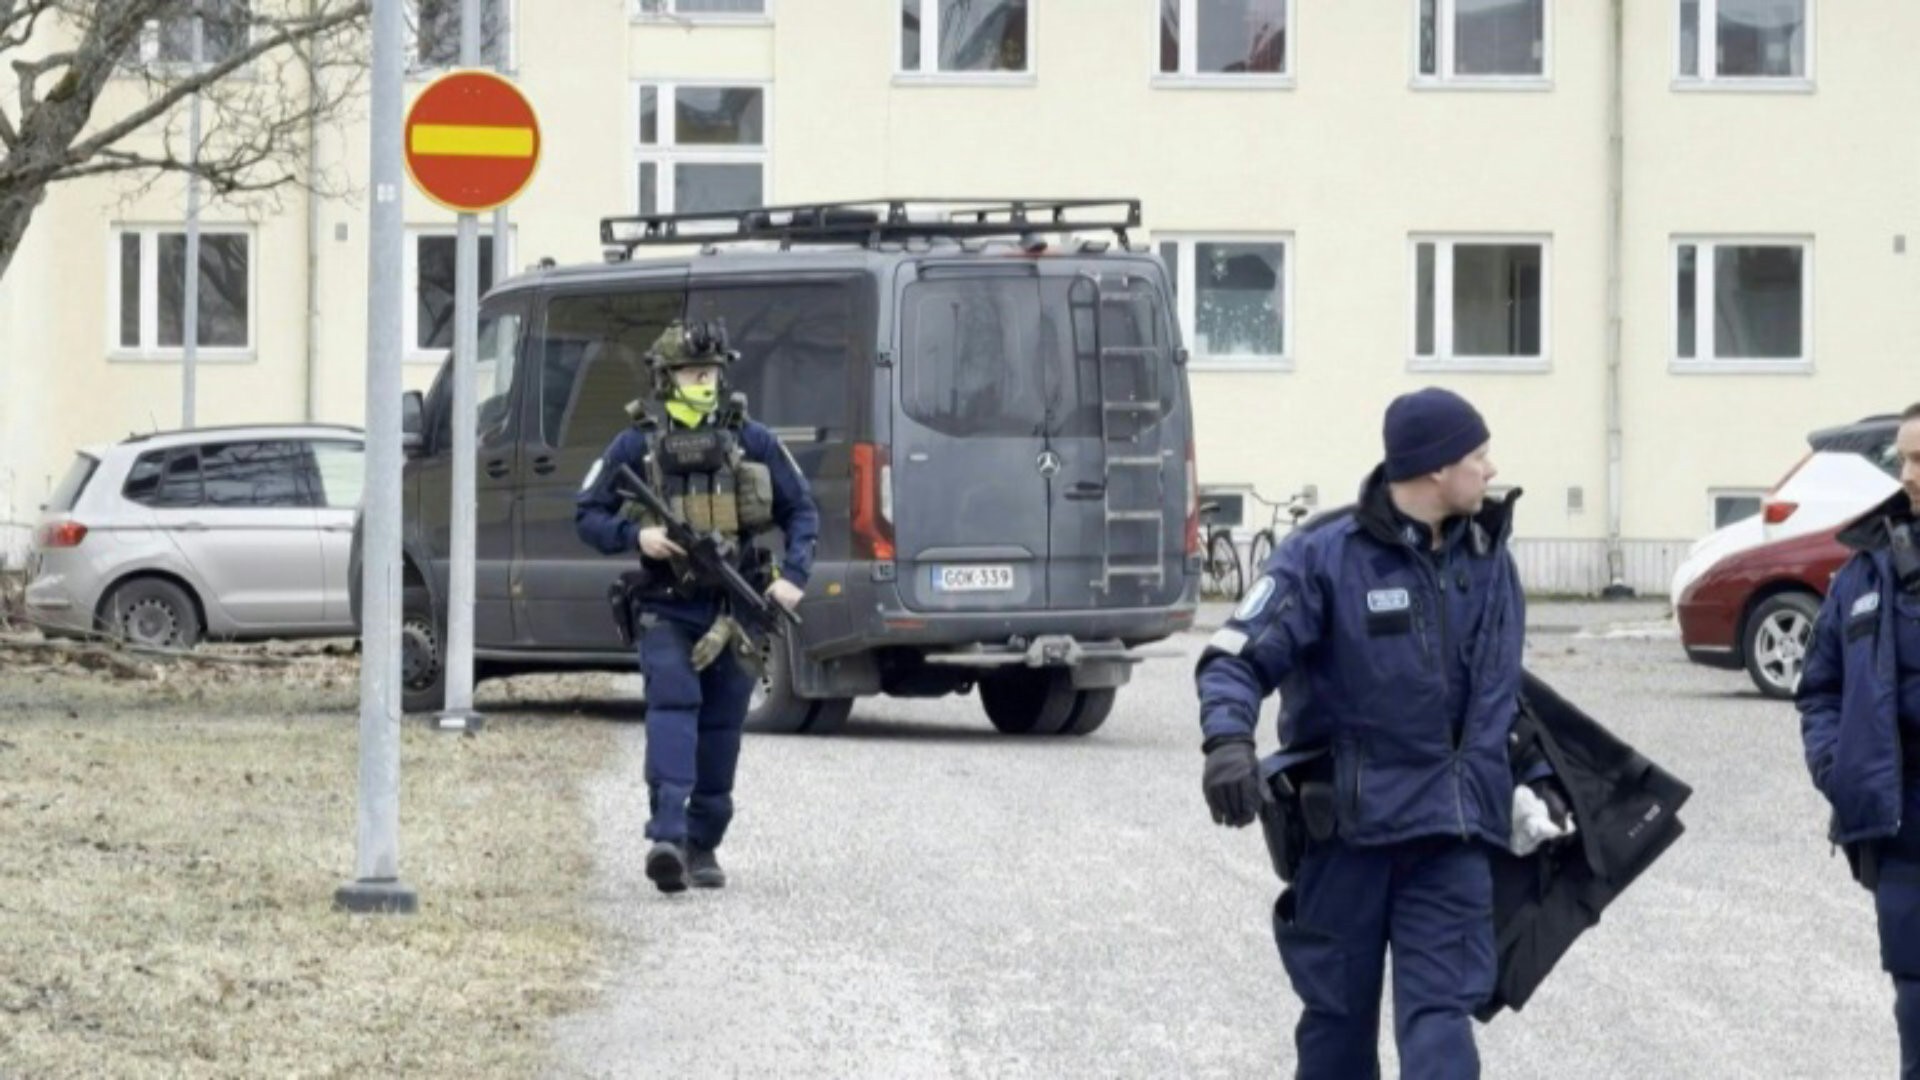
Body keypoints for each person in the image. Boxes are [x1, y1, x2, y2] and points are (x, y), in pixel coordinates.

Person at [1193, 387, 1570, 1078]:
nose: (1491, 470)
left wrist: (1535, 776)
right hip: (1348, 840)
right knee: (1337, 1031)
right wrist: (1227, 744)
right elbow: (1235, 659)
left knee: (1441, 1028)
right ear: (1435, 468)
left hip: (1452, 839)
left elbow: (1498, 690)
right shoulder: (1324, 557)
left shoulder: (1488, 561)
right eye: (1478, 456)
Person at [576, 320, 818, 895]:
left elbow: (802, 510)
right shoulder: (635, 445)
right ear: (667, 379)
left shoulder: (752, 440)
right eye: (691, 373)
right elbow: (586, 512)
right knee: (672, 706)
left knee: (722, 725)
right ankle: (666, 836)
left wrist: (794, 578)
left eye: (709, 371)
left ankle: (702, 842)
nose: (703, 381)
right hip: (666, 603)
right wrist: (637, 537)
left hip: (737, 605)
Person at [1797, 402, 1920, 1079]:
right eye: (1903, 459)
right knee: (1916, 1008)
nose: (1908, 474)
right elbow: (1819, 687)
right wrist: (1839, 768)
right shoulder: (1865, 572)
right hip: (1904, 828)